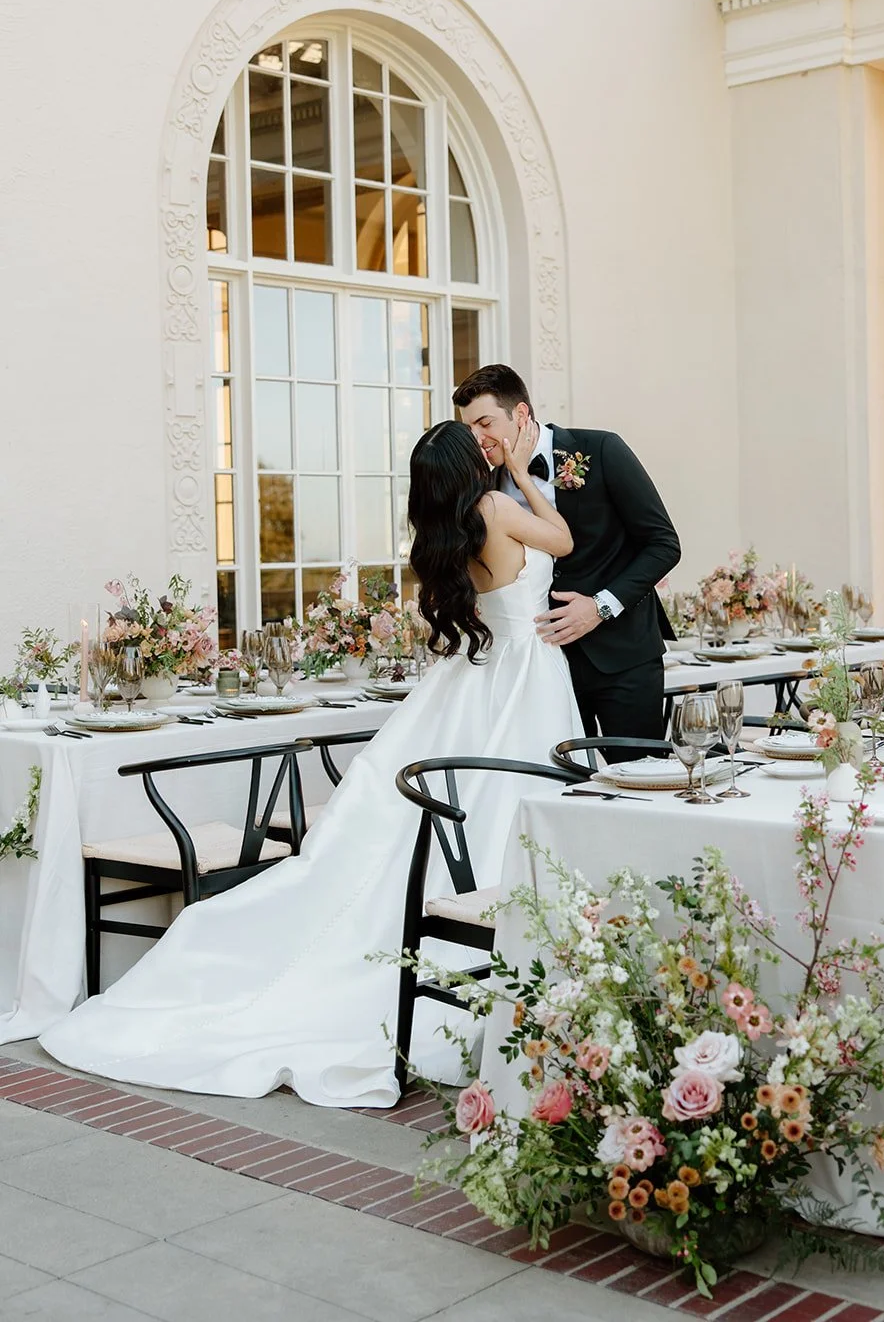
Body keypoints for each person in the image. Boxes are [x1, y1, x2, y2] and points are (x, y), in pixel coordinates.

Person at [39, 421, 581, 1108]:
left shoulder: (448, 528)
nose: (489, 450)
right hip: (525, 676)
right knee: (502, 807)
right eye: (478, 449)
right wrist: (525, 476)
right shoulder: (499, 506)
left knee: (448, 810)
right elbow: (562, 540)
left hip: (477, 679)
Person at [454, 364, 680, 752]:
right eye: (468, 428)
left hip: (622, 659)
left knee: (640, 784)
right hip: (543, 669)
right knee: (560, 791)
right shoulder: (483, 487)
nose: (477, 437)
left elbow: (663, 544)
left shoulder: (601, 449)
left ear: (520, 414)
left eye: (485, 423)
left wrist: (600, 607)